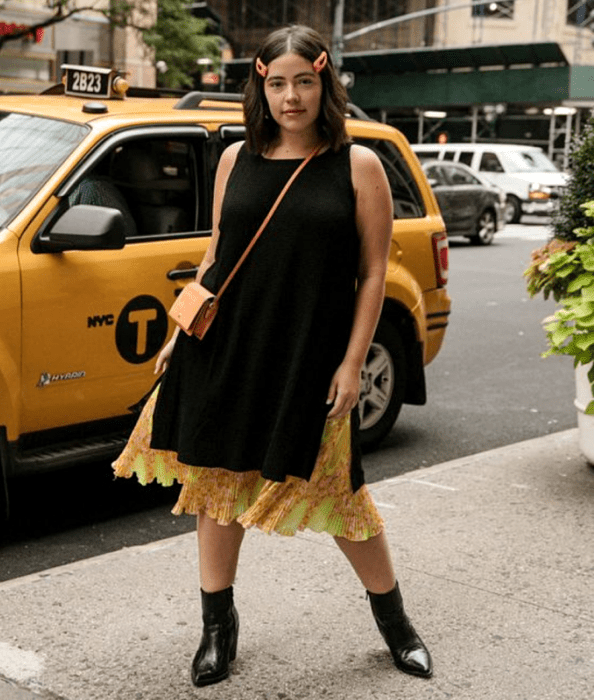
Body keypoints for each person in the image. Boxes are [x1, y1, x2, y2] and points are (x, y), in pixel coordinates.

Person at [113, 24, 432, 688]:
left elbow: (372, 275)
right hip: (225, 345)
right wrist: (180, 329)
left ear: (325, 84)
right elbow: (214, 255)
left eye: (305, 82)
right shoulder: (236, 159)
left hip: (308, 357)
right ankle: (216, 631)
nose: (291, 98)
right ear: (260, 84)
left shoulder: (358, 164)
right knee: (214, 489)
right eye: (278, 83)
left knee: (340, 497)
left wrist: (351, 363)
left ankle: (395, 625)